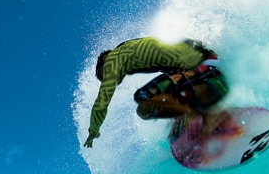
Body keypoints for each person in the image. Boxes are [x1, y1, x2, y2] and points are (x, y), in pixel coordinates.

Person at [83, 37, 228, 148]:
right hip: (208, 65)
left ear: (104, 59)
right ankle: (198, 111)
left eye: (104, 75)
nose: (111, 78)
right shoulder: (134, 49)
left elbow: (101, 103)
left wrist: (93, 131)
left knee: (143, 100)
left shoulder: (113, 57)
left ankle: (202, 117)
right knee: (166, 112)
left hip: (198, 67)